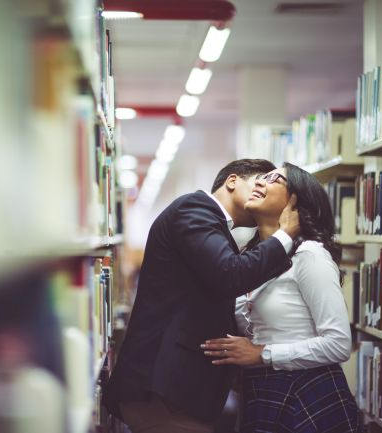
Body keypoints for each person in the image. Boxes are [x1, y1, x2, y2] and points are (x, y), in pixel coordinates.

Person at [103, 159, 301, 433]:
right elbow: (230, 274)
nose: (262, 189)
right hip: (163, 391)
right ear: (232, 181)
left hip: (175, 390)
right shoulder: (194, 209)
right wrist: (285, 235)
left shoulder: (216, 227)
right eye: (259, 181)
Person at [203, 163, 360, 433]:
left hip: (307, 390)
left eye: (274, 179)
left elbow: (339, 344)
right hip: (260, 388)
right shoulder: (248, 260)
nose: (259, 183)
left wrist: (262, 354)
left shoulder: (310, 255)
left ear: (296, 202)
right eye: (260, 178)